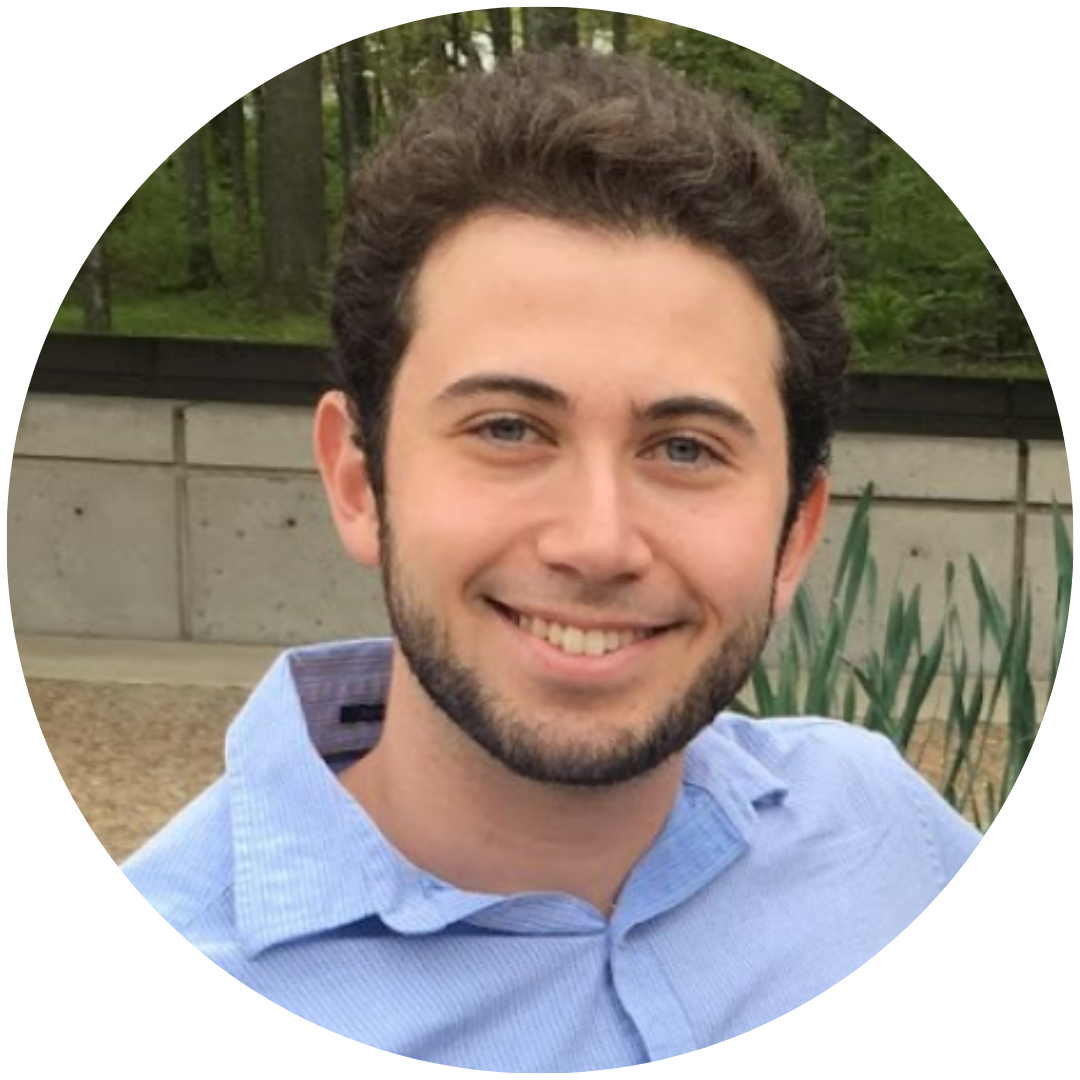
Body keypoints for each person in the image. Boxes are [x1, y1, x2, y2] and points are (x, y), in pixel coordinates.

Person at [123, 49, 981, 1065]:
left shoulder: (887, 835)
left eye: (685, 448)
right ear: (359, 481)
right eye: (508, 430)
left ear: (795, 532)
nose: (597, 543)